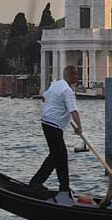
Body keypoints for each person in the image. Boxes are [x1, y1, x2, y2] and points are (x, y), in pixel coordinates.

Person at [30, 65, 83, 204]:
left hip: (47, 122)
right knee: (56, 155)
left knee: (61, 155)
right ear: (70, 76)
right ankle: (35, 183)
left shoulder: (56, 84)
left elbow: (44, 98)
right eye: (76, 75)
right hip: (53, 124)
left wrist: (55, 106)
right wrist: (79, 128)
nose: (77, 77)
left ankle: (64, 188)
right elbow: (74, 112)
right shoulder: (67, 91)